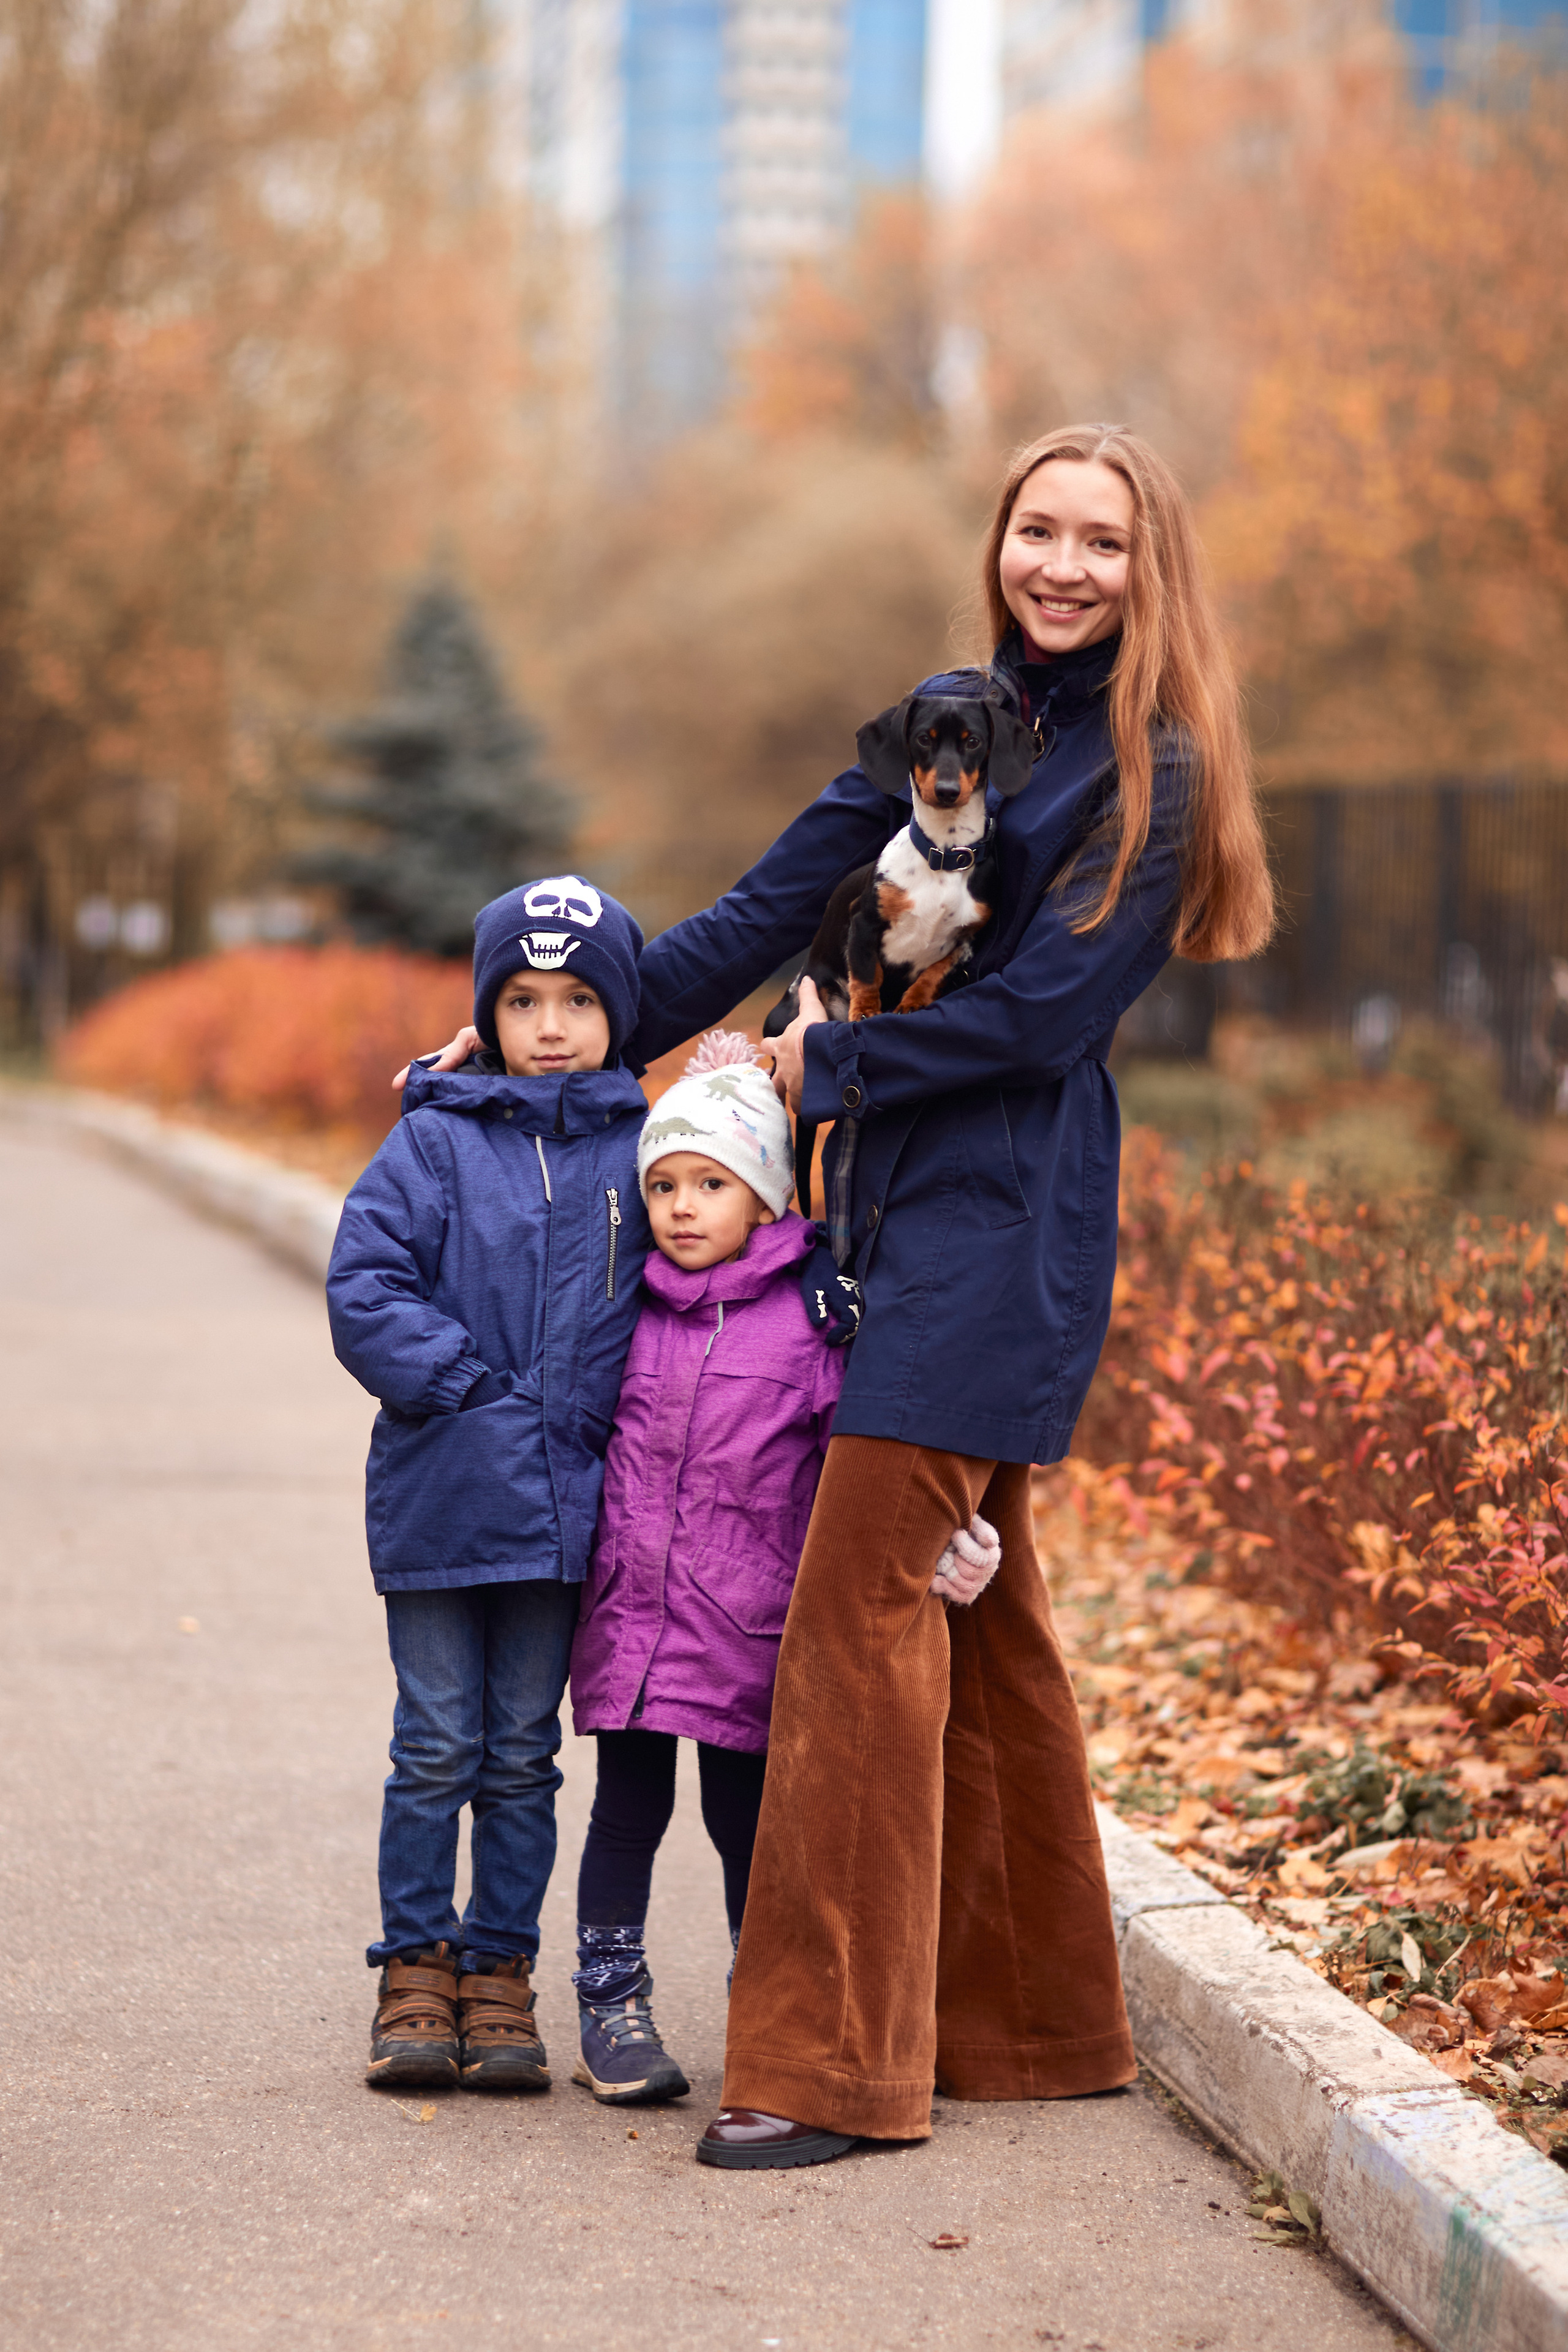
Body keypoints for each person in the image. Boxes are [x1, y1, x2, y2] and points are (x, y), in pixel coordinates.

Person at [401, 423, 1275, 2168]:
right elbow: (752, 919)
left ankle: (828, 2068)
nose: (1065, 566)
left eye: (1105, 540)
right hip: (874, 1221)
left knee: (854, 1633)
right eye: (1040, 529)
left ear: (1151, 565)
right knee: (986, 1624)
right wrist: (549, 1050)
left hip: (1000, 1233)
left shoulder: (1148, 772)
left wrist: (824, 1078)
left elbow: (1040, 1019)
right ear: (1001, 543)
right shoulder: (937, 723)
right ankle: (1035, 2029)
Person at [564, 1031, 1000, 2107]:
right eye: (663, 1183)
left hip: (752, 1624)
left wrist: (945, 1539)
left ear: (762, 1196)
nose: (680, 1206)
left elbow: (863, 1467)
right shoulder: (624, 1311)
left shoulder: (812, 1325)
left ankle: (765, 2000)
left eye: (710, 1182)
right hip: (633, 1616)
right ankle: (611, 2001)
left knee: (747, 1822)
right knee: (626, 1805)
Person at [328, 875, 650, 2092]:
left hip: (569, 1517)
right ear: (488, 1013)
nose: (551, 1025)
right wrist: (461, 1383)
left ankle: (497, 1970)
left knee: (519, 1754)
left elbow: (697, 1265)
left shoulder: (645, 1148)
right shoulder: (434, 1142)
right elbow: (366, 1284)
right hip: (443, 1495)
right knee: (434, 1745)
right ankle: (414, 1966)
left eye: (577, 998)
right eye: (522, 999)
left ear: (617, 1010)